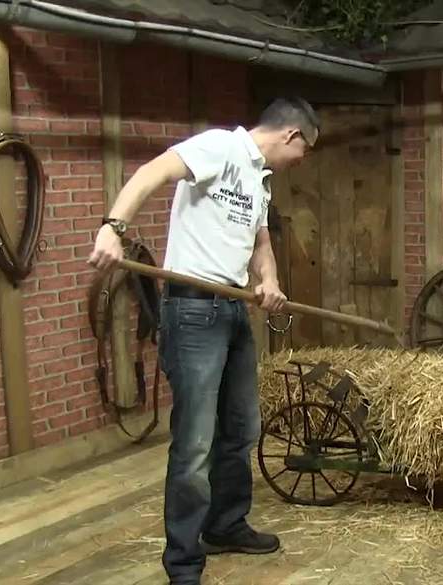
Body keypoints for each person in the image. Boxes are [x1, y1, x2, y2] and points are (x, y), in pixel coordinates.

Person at [88, 97, 319, 584]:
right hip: (192, 311)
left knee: (241, 428)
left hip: (233, 309)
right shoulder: (219, 147)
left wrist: (270, 281)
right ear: (291, 135)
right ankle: (183, 561)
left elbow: (260, 242)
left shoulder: (259, 179)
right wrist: (113, 229)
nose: (301, 161)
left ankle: (226, 525)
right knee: (195, 442)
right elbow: (151, 172)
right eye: (305, 151)